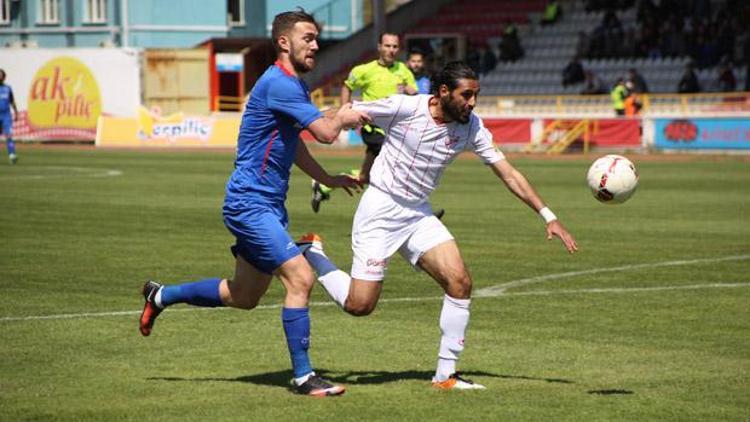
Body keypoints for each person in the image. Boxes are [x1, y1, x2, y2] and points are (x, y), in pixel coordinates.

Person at [297, 62, 578, 391]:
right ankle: (313, 252)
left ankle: (446, 376)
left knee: (460, 282)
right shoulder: (405, 107)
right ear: (443, 92)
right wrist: (307, 117)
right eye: (467, 95)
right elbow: (348, 110)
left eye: (476, 95)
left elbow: (509, 173)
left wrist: (549, 215)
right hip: (380, 209)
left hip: (418, 214)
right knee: (360, 306)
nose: (472, 103)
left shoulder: (471, 127)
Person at [138, 9, 370, 397]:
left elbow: (293, 142)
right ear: (284, 42)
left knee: (243, 296)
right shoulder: (280, 85)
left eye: (316, 39)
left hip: (267, 206)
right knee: (300, 278)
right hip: (249, 205)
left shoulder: (293, 86)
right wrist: (350, 113)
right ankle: (303, 377)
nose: (315, 45)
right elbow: (328, 133)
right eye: (308, 38)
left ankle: (160, 295)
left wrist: (325, 178)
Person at [310, 32, 418, 213]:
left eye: (395, 46)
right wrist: (345, 111)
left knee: (366, 176)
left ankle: (323, 186)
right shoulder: (364, 70)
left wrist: (410, 91)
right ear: (379, 47)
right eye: (387, 46)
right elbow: (347, 86)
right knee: (397, 162)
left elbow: (414, 95)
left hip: (395, 129)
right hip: (372, 126)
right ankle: (411, 211)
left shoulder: (403, 70)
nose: (391, 50)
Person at [0, 69, 18, 165]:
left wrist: (16, 112)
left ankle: (12, 155)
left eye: (1, 75)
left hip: (6, 115)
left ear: (4, 77)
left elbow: (12, 101)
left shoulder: (8, 88)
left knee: (9, 135)